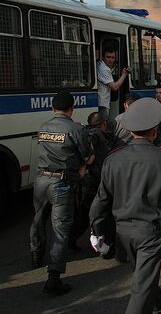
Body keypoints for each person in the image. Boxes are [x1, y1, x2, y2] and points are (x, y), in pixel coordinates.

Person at [89, 98, 161, 313]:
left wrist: (96, 230)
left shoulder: (112, 159)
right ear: (154, 131)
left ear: (131, 131)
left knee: (142, 273)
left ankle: (157, 302)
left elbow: (101, 199)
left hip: (123, 230)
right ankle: (149, 303)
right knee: (142, 282)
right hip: (151, 229)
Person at [30, 91, 92, 295]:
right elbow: (86, 155)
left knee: (38, 219)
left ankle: (36, 254)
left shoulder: (43, 127)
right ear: (71, 109)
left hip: (40, 180)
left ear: (52, 108)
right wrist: (83, 165)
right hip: (61, 183)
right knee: (60, 228)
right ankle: (54, 277)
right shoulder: (75, 129)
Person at [69, 111, 126, 260]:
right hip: (100, 182)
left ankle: (71, 239)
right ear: (104, 124)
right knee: (107, 216)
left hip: (88, 182)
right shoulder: (98, 136)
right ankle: (108, 246)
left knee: (85, 215)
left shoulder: (83, 134)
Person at [96, 47, 130, 118]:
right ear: (103, 57)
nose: (110, 60)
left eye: (113, 57)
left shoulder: (100, 64)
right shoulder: (104, 69)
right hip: (103, 103)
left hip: (103, 102)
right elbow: (114, 87)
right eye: (108, 57)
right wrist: (124, 75)